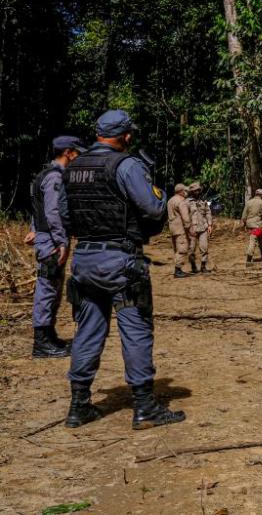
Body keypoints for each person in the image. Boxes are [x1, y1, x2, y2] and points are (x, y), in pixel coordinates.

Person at [63, 109, 185, 430]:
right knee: (136, 329)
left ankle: (79, 406)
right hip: (120, 260)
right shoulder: (126, 165)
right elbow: (153, 206)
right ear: (126, 136)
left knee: (87, 330)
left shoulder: (73, 167)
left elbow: (63, 215)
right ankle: (145, 407)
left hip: (84, 260)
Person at [26, 135, 86, 358]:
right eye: (77, 153)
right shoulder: (55, 178)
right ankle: (41, 343)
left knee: (52, 288)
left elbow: (37, 209)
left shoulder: (44, 174)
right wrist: (61, 241)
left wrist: (34, 229)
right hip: (51, 241)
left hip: (46, 237)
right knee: (47, 289)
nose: (79, 157)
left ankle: (49, 337)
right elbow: (53, 212)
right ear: (68, 152)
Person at [186, 182, 213, 273]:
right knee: (191, 249)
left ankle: (203, 266)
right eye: (195, 191)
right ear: (192, 192)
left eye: (199, 190)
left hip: (203, 228)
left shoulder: (203, 201)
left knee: (204, 248)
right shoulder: (187, 202)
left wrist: (209, 225)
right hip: (192, 229)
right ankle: (193, 266)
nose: (198, 192)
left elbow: (208, 213)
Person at [167, 183, 191, 278]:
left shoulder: (170, 200)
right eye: (185, 191)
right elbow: (185, 217)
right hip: (180, 228)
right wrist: (189, 227)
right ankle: (178, 270)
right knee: (182, 248)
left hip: (172, 228)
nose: (186, 192)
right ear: (181, 191)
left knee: (176, 249)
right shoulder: (181, 201)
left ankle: (178, 269)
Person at [241, 189, 262, 264]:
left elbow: (244, 216)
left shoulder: (249, 202)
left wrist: (245, 224)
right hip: (257, 225)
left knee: (260, 239)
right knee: (253, 241)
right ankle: (248, 259)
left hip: (249, 224)